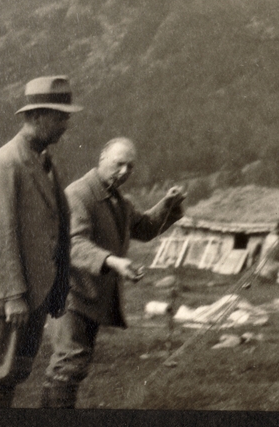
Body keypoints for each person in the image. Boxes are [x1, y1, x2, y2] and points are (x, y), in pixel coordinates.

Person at [41, 137, 187, 408]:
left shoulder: (119, 200)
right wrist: (113, 261)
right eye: (119, 164)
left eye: (130, 167)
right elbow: (74, 244)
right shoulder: (78, 195)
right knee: (68, 364)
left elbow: (143, 228)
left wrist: (168, 204)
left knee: (73, 365)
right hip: (70, 295)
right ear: (102, 159)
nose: (124, 172)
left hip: (89, 295)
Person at [0, 76, 81, 408]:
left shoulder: (43, 163)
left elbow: (55, 230)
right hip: (6, 300)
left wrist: (57, 290)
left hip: (32, 298)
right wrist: (13, 295)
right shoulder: (5, 164)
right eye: (60, 116)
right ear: (36, 116)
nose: (65, 124)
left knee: (10, 377)